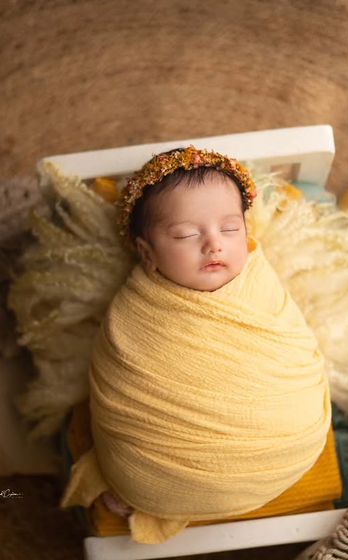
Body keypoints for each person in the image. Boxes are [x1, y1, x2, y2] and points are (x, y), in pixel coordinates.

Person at [61, 146, 331, 544]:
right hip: (159, 472)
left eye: (230, 228)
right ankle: (149, 491)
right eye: (187, 234)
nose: (214, 245)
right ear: (146, 253)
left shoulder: (262, 284)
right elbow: (121, 375)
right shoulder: (135, 312)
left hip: (284, 455)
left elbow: (294, 347)